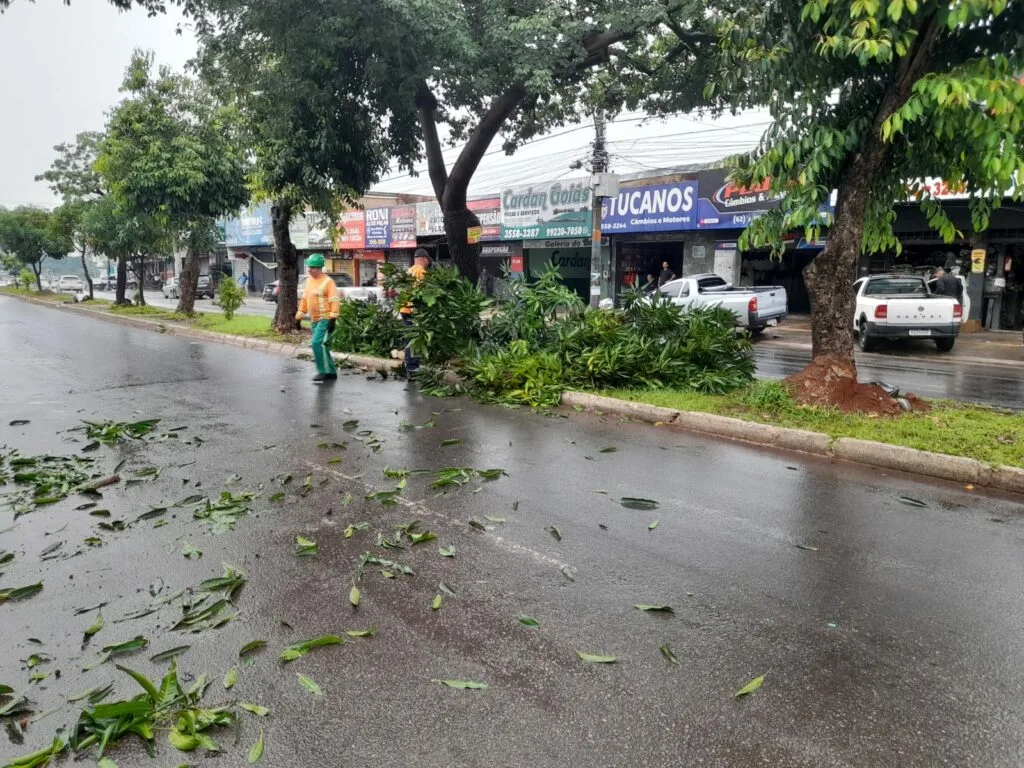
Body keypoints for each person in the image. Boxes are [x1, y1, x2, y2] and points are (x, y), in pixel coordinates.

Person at [295, 253, 340, 383]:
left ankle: (324, 372)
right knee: (322, 345)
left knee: (317, 343)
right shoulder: (309, 281)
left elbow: (334, 300)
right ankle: (331, 372)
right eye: (309, 267)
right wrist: (299, 317)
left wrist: (333, 318)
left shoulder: (328, 282)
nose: (309, 270)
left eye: (312, 267)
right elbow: (305, 299)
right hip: (314, 319)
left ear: (319, 268)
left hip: (325, 319)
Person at [400, 249, 430, 373]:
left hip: (404, 308)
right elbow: (420, 292)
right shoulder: (421, 272)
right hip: (414, 310)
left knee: (409, 337)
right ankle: (412, 366)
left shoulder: (408, 271)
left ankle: (409, 364)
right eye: (428, 261)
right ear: (425, 260)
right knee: (415, 338)